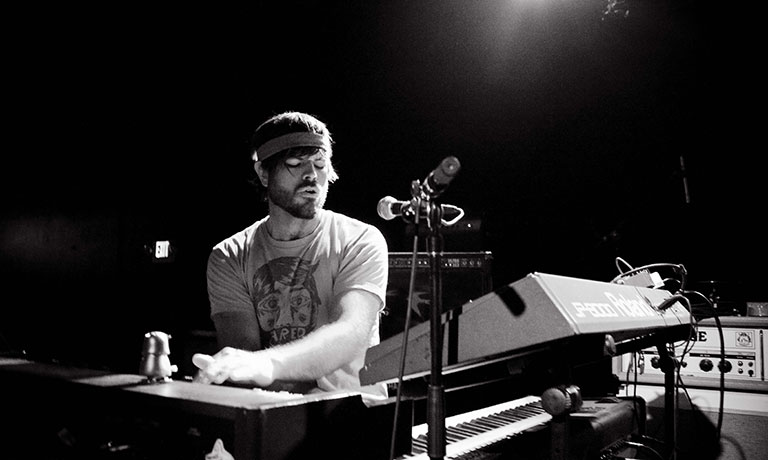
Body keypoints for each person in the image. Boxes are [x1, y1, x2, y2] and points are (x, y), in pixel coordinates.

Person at [192, 111, 389, 397]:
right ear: (263, 173)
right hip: (271, 411)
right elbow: (243, 353)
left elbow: (350, 333)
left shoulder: (360, 239)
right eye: (295, 164)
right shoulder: (230, 256)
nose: (312, 175)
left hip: (353, 413)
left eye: (320, 164)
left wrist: (269, 363)